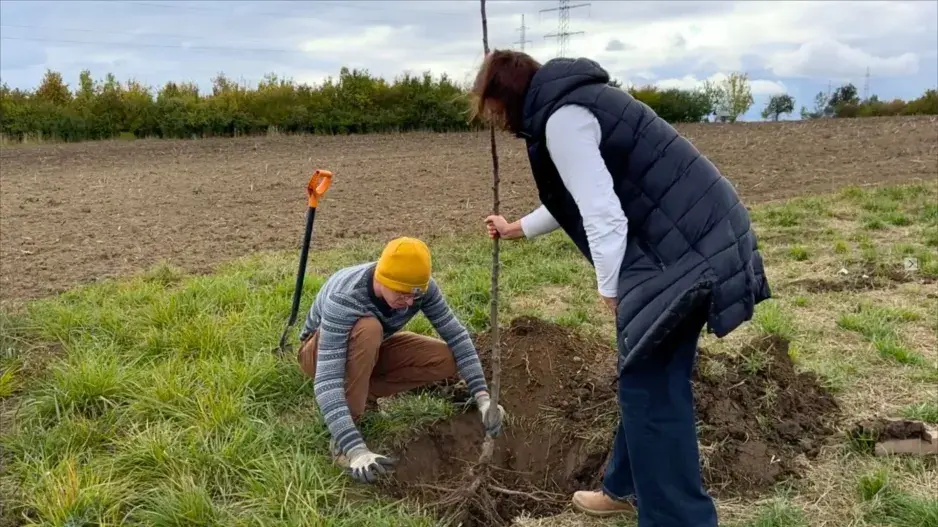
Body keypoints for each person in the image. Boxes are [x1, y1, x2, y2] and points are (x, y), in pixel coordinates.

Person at [471, 50, 771, 525]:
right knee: (650, 377)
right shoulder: (576, 103)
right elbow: (578, 194)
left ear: (506, 97)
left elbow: (603, 214)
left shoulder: (564, 120)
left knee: (651, 389)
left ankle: (679, 519)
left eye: (491, 109)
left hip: (684, 251)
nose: (493, 119)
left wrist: (610, 289)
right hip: (697, 237)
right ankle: (624, 487)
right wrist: (517, 228)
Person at [296, 236, 506, 484]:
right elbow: (327, 380)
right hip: (318, 354)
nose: (409, 303)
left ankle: (364, 394)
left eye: (415, 296)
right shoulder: (345, 298)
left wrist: (483, 398)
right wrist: (356, 449)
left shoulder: (418, 290)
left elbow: (457, 335)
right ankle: (343, 440)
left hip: (369, 348)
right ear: (382, 279)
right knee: (369, 328)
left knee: (444, 359)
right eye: (402, 294)